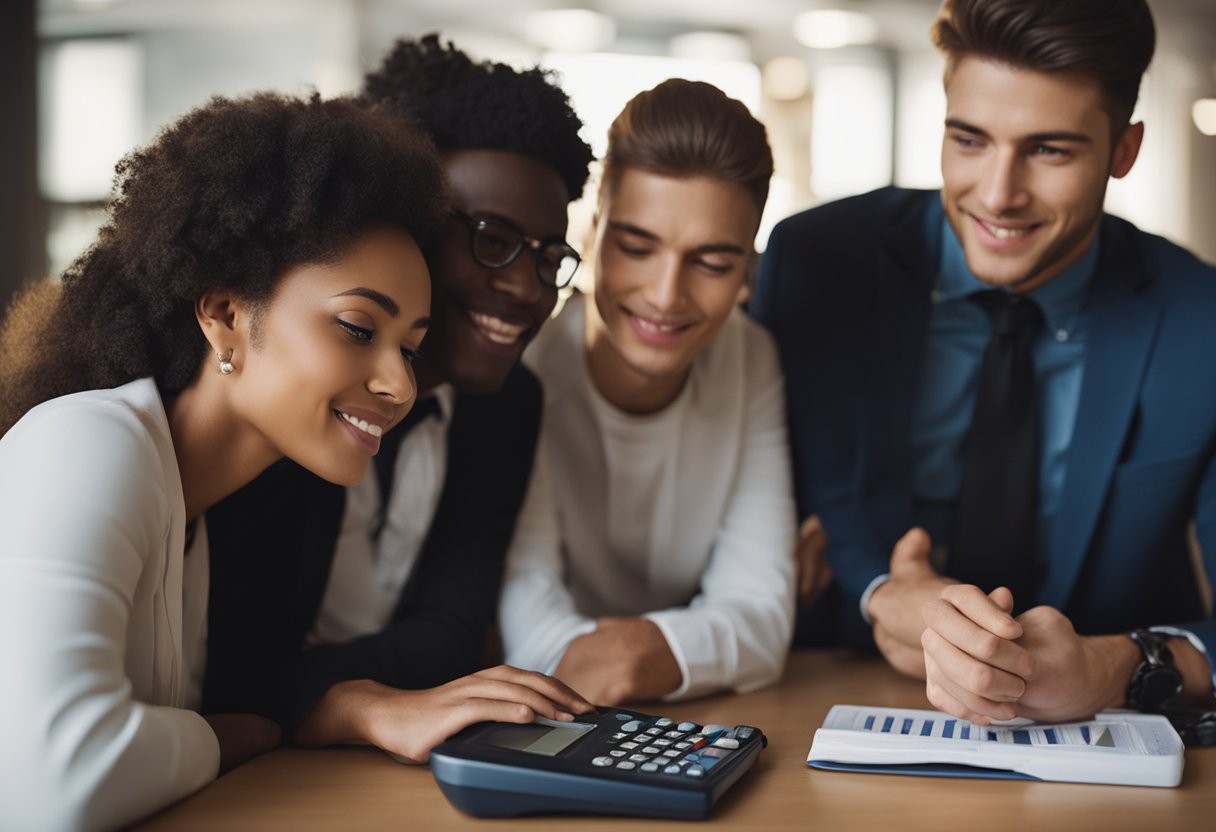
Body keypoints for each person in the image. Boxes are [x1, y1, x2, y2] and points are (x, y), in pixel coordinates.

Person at [0, 93, 589, 832]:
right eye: (355, 327)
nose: (399, 384)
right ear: (222, 314)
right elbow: (59, 783)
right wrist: (223, 735)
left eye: (408, 345)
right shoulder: (86, 445)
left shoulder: (192, 527)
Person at [751, 0, 1216, 726]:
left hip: (1097, 745)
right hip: (830, 708)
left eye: (1049, 150)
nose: (998, 195)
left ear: (1124, 151)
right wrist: (880, 590)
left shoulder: (1200, 319)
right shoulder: (816, 263)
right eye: (969, 140)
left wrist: (1114, 667)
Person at [201, 35, 596, 750]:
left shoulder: (506, 406)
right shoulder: (288, 393)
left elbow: (447, 637)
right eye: (490, 238)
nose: (524, 286)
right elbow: (222, 674)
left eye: (548, 257)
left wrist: (332, 697)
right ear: (405, 221)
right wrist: (344, 703)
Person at [499, 79, 797, 705]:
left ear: (747, 270)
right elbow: (531, 637)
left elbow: (764, 620)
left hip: (684, 727)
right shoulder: (524, 372)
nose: (666, 295)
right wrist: (695, 644)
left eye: (712, 263)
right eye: (636, 247)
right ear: (592, 232)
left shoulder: (752, 357)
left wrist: (638, 654)